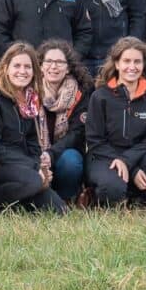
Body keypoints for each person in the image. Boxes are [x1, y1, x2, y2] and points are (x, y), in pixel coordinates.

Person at [0, 43, 66, 212]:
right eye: (17, 66)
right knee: (34, 181)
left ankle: (16, 204)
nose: (22, 71)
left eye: (27, 67)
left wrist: (40, 166)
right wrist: (33, 167)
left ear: (34, 71)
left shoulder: (30, 100)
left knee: (60, 209)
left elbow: (33, 142)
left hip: (22, 166)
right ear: (5, 68)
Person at [84, 36, 146, 205]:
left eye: (137, 62)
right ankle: (107, 196)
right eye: (126, 61)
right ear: (117, 64)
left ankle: (142, 202)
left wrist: (128, 162)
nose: (132, 67)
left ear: (144, 65)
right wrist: (131, 169)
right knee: (111, 188)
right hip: (105, 157)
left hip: (139, 155)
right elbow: (95, 141)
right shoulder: (100, 96)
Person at [35, 39, 89, 203]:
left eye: (59, 62)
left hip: (64, 153)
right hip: (35, 152)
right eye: (49, 61)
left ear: (68, 68)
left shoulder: (80, 93)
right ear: (41, 66)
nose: (54, 66)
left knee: (71, 161)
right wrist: (40, 156)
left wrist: (51, 154)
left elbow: (76, 134)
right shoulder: (29, 91)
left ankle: (66, 199)